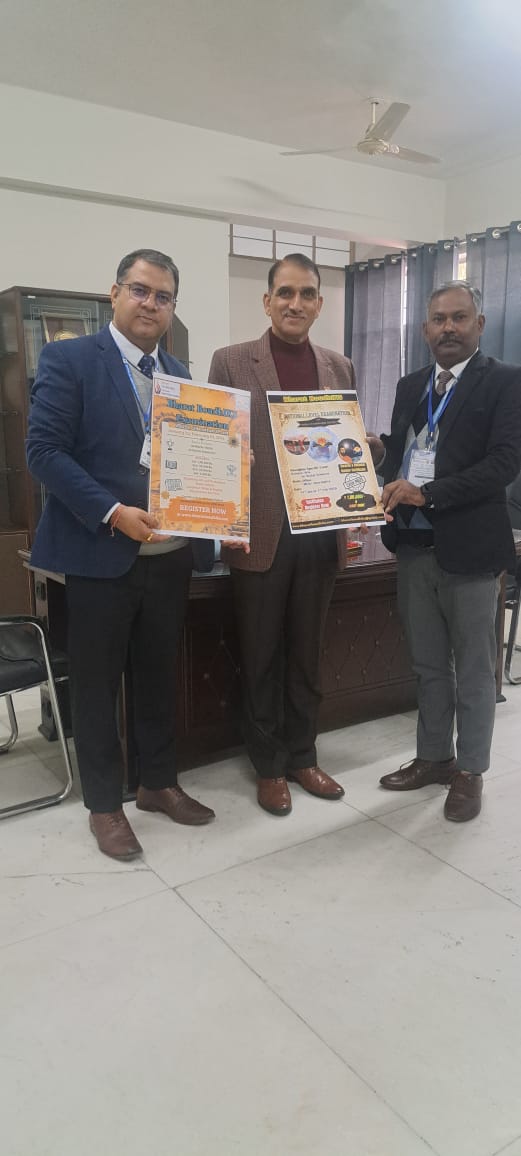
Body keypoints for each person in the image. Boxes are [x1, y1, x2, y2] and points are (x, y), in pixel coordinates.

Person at [27, 249, 215, 859]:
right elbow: (44, 453)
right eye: (140, 290)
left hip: (169, 555)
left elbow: (194, 460)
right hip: (99, 552)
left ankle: (157, 783)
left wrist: (222, 485)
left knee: (159, 677)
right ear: (114, 293)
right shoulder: (70, 359)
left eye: (163, 296)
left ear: (172, 307)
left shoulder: (180, 373)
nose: (150, 304)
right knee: (97, 685)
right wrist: (113, 512)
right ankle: (105, 806)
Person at [209, 253, 355, 816]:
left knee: (307, 657)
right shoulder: (231, 361)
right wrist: (225, 519)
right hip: (260, 535)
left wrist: (363, 462)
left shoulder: (339, 366)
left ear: (319, 303)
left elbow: (344, 444)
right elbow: (214, 449)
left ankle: (303, 755)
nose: (296, 303)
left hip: (320, 534)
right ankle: (269, 766)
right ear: (267, 300)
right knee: (262, 655)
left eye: (307, 293)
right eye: (286, 293)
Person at [371, 281, 521, 821]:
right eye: (439, 319)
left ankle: (470, 772)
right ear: (425, 329)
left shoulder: (505, 381)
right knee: (428, 665)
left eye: (459, 318)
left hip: (472, 551)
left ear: (479, 324)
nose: (448, 328)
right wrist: (372, 455)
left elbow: (504, 463)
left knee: (476, 671)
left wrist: (428, 494)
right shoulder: (411, 384)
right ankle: (434, 758)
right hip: (413, 546)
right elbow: (402, 454)